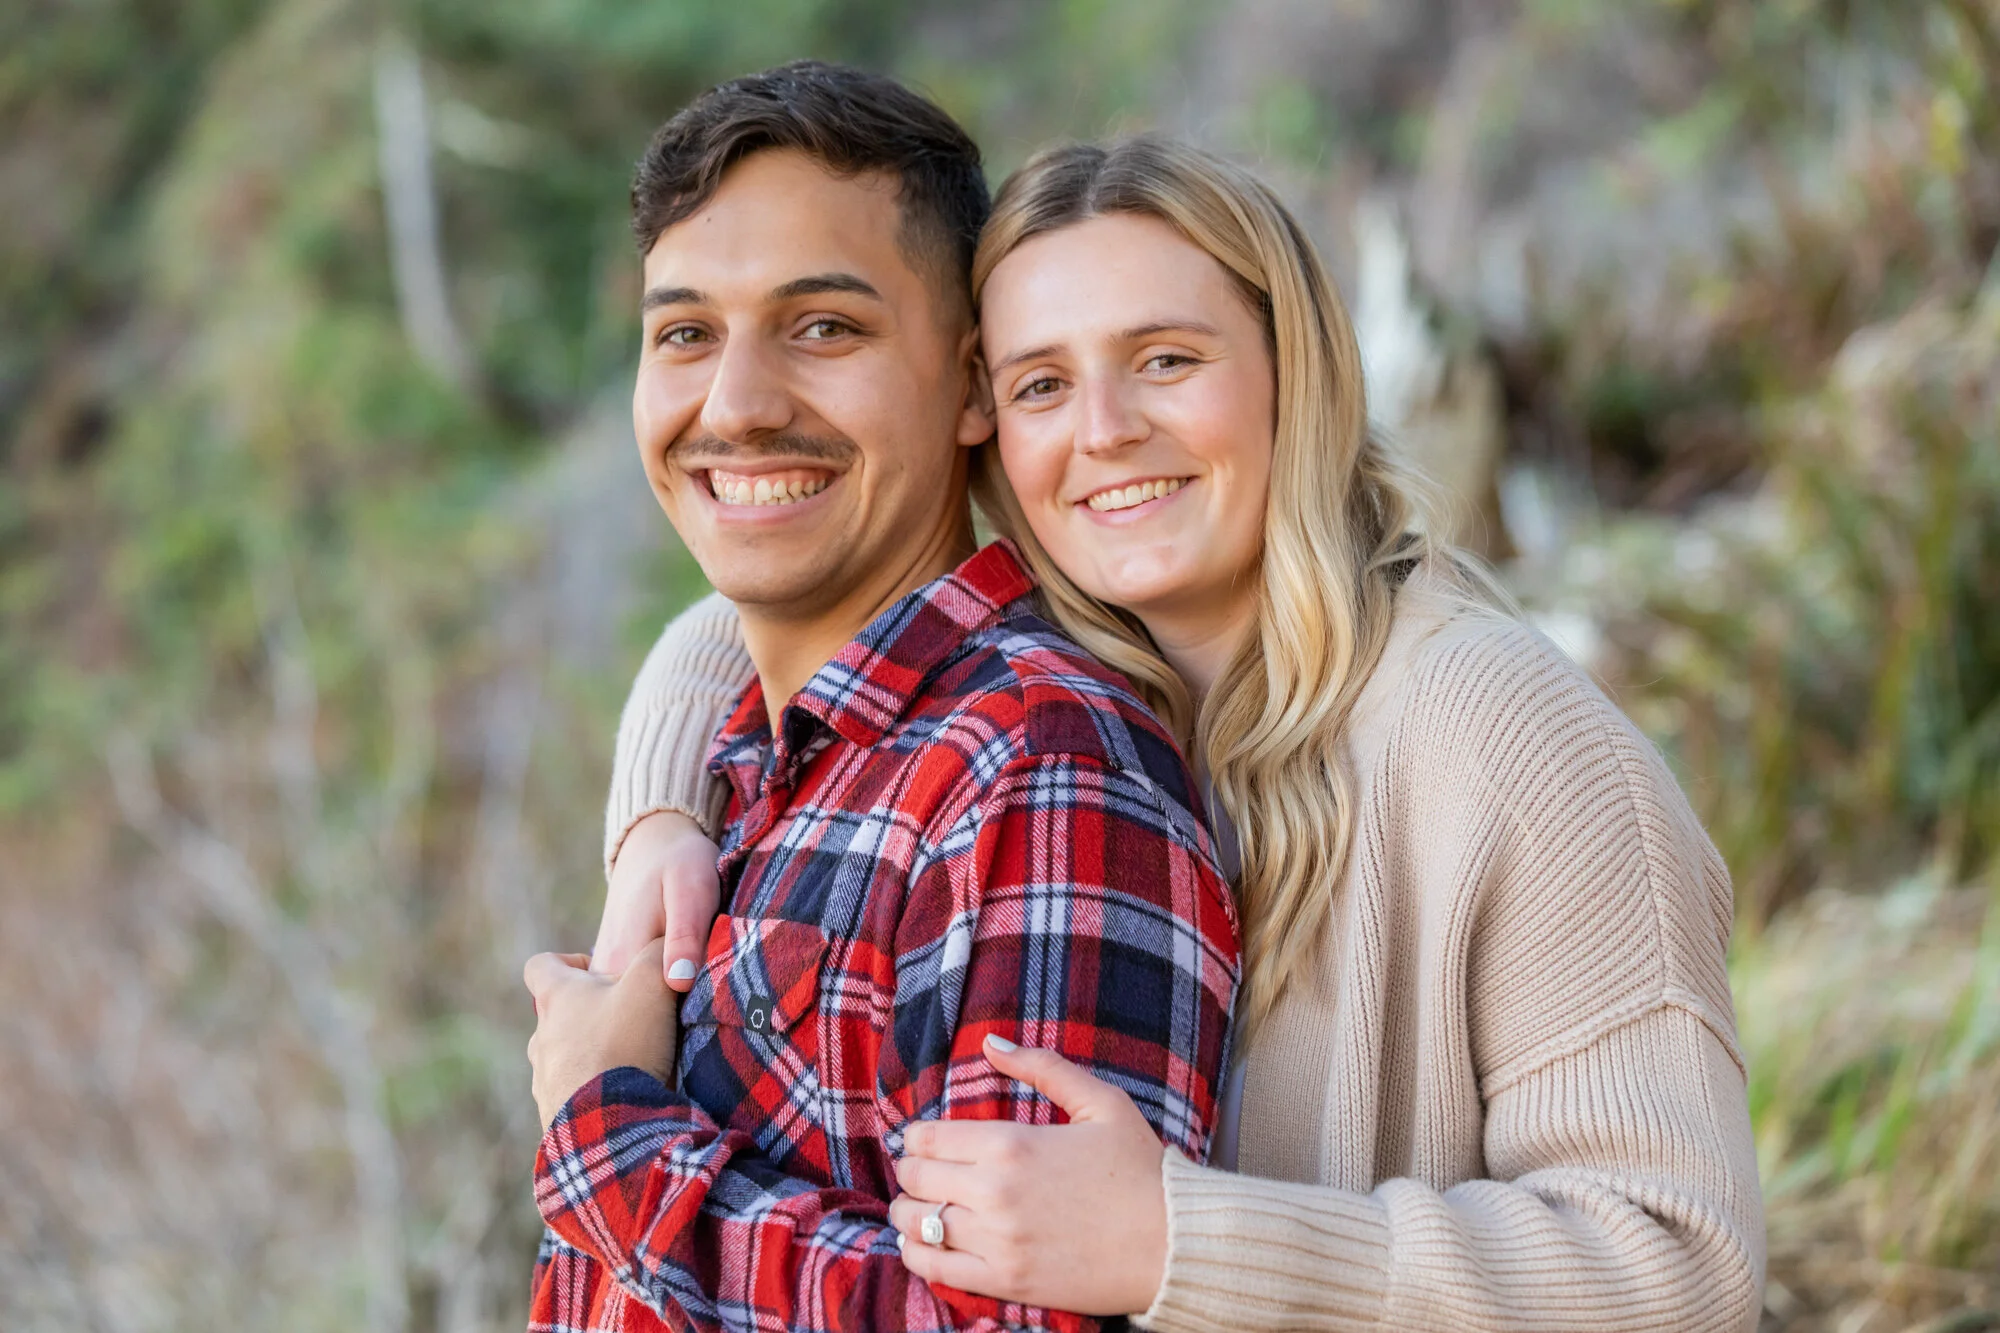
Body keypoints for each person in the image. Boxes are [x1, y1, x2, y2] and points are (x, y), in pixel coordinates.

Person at [599, 134, 1767, 1331]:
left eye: (1164, 359)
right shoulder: (1069, 655)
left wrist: (1183, 1239)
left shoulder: (1497, 731)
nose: (1103, 431)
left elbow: (1679, 1264)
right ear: (983, 415)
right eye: (1042, 384)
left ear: (1291, 371)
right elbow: (732, 617)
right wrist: (659, 815)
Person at [522, 68, 1239, 1333]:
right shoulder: (752, 760)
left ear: (970, 386)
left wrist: (610, 1134)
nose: (734, 406)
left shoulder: (1035, 768)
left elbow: (1014, 1324)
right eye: (685, 333)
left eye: (822, 329)